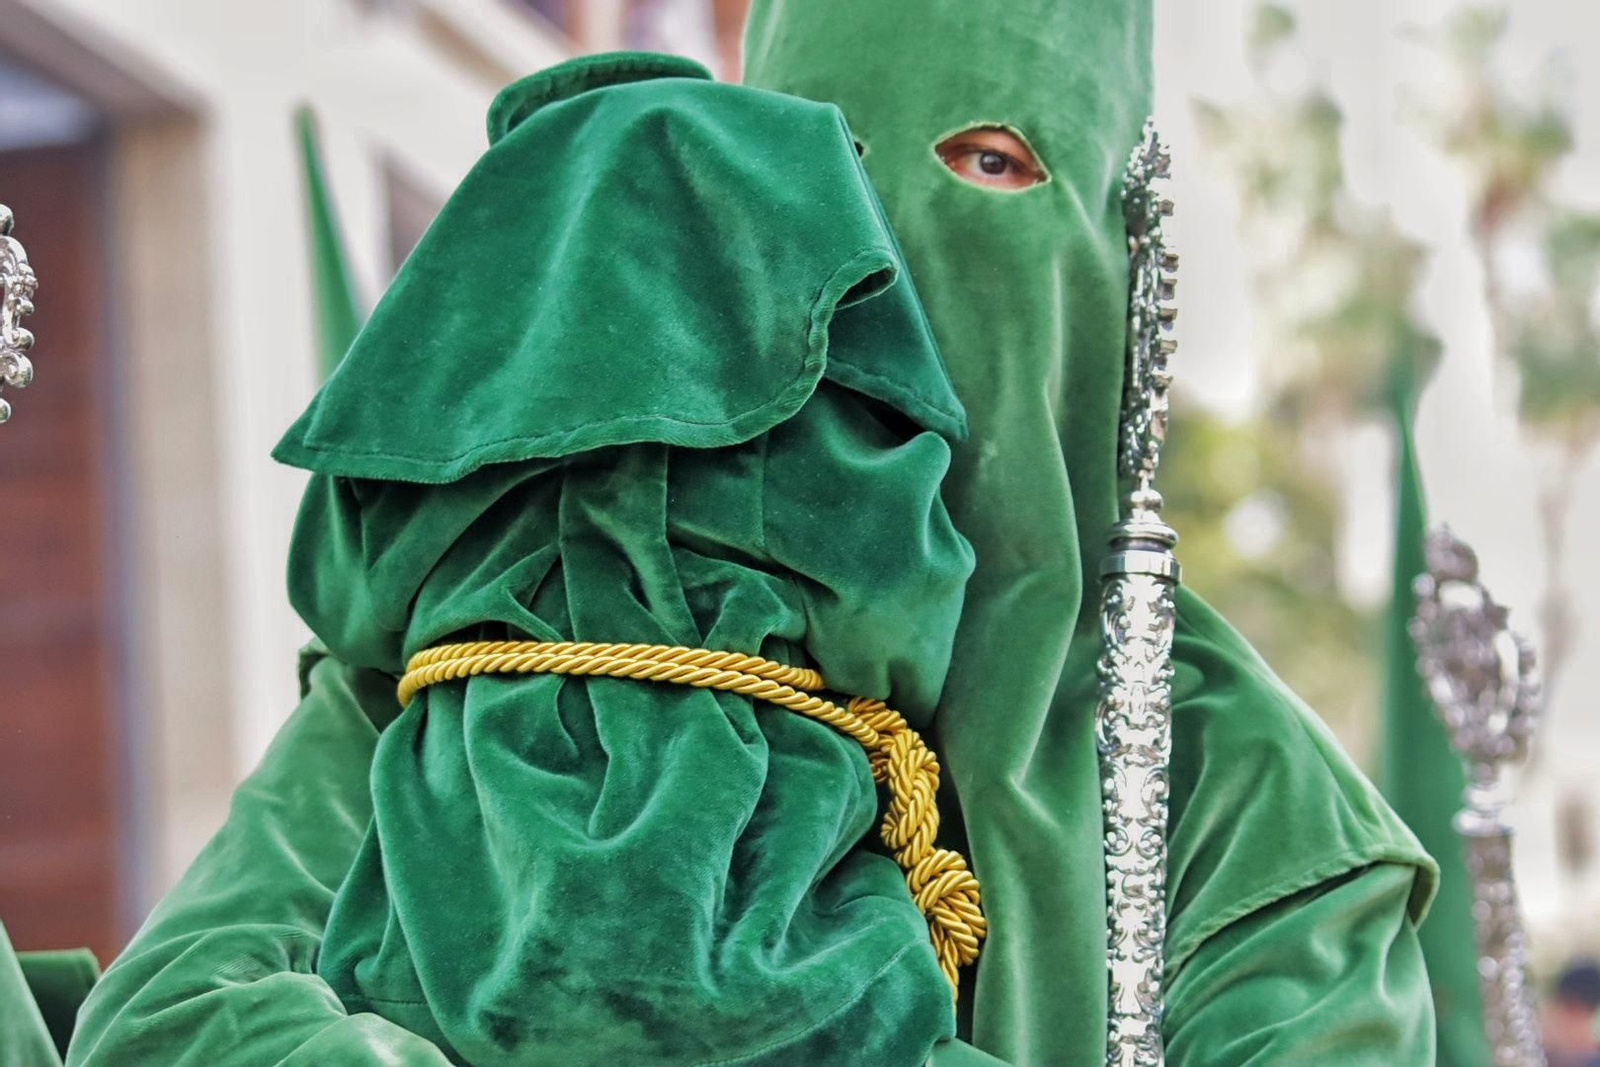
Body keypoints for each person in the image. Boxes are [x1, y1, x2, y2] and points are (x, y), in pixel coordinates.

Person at [68, 2, 1439, 1064]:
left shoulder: (1250, 805)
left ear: (1115, 270)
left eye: (987, 166)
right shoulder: (481, 650)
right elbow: (179, 1018)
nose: (885, 263)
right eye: (821, 184)